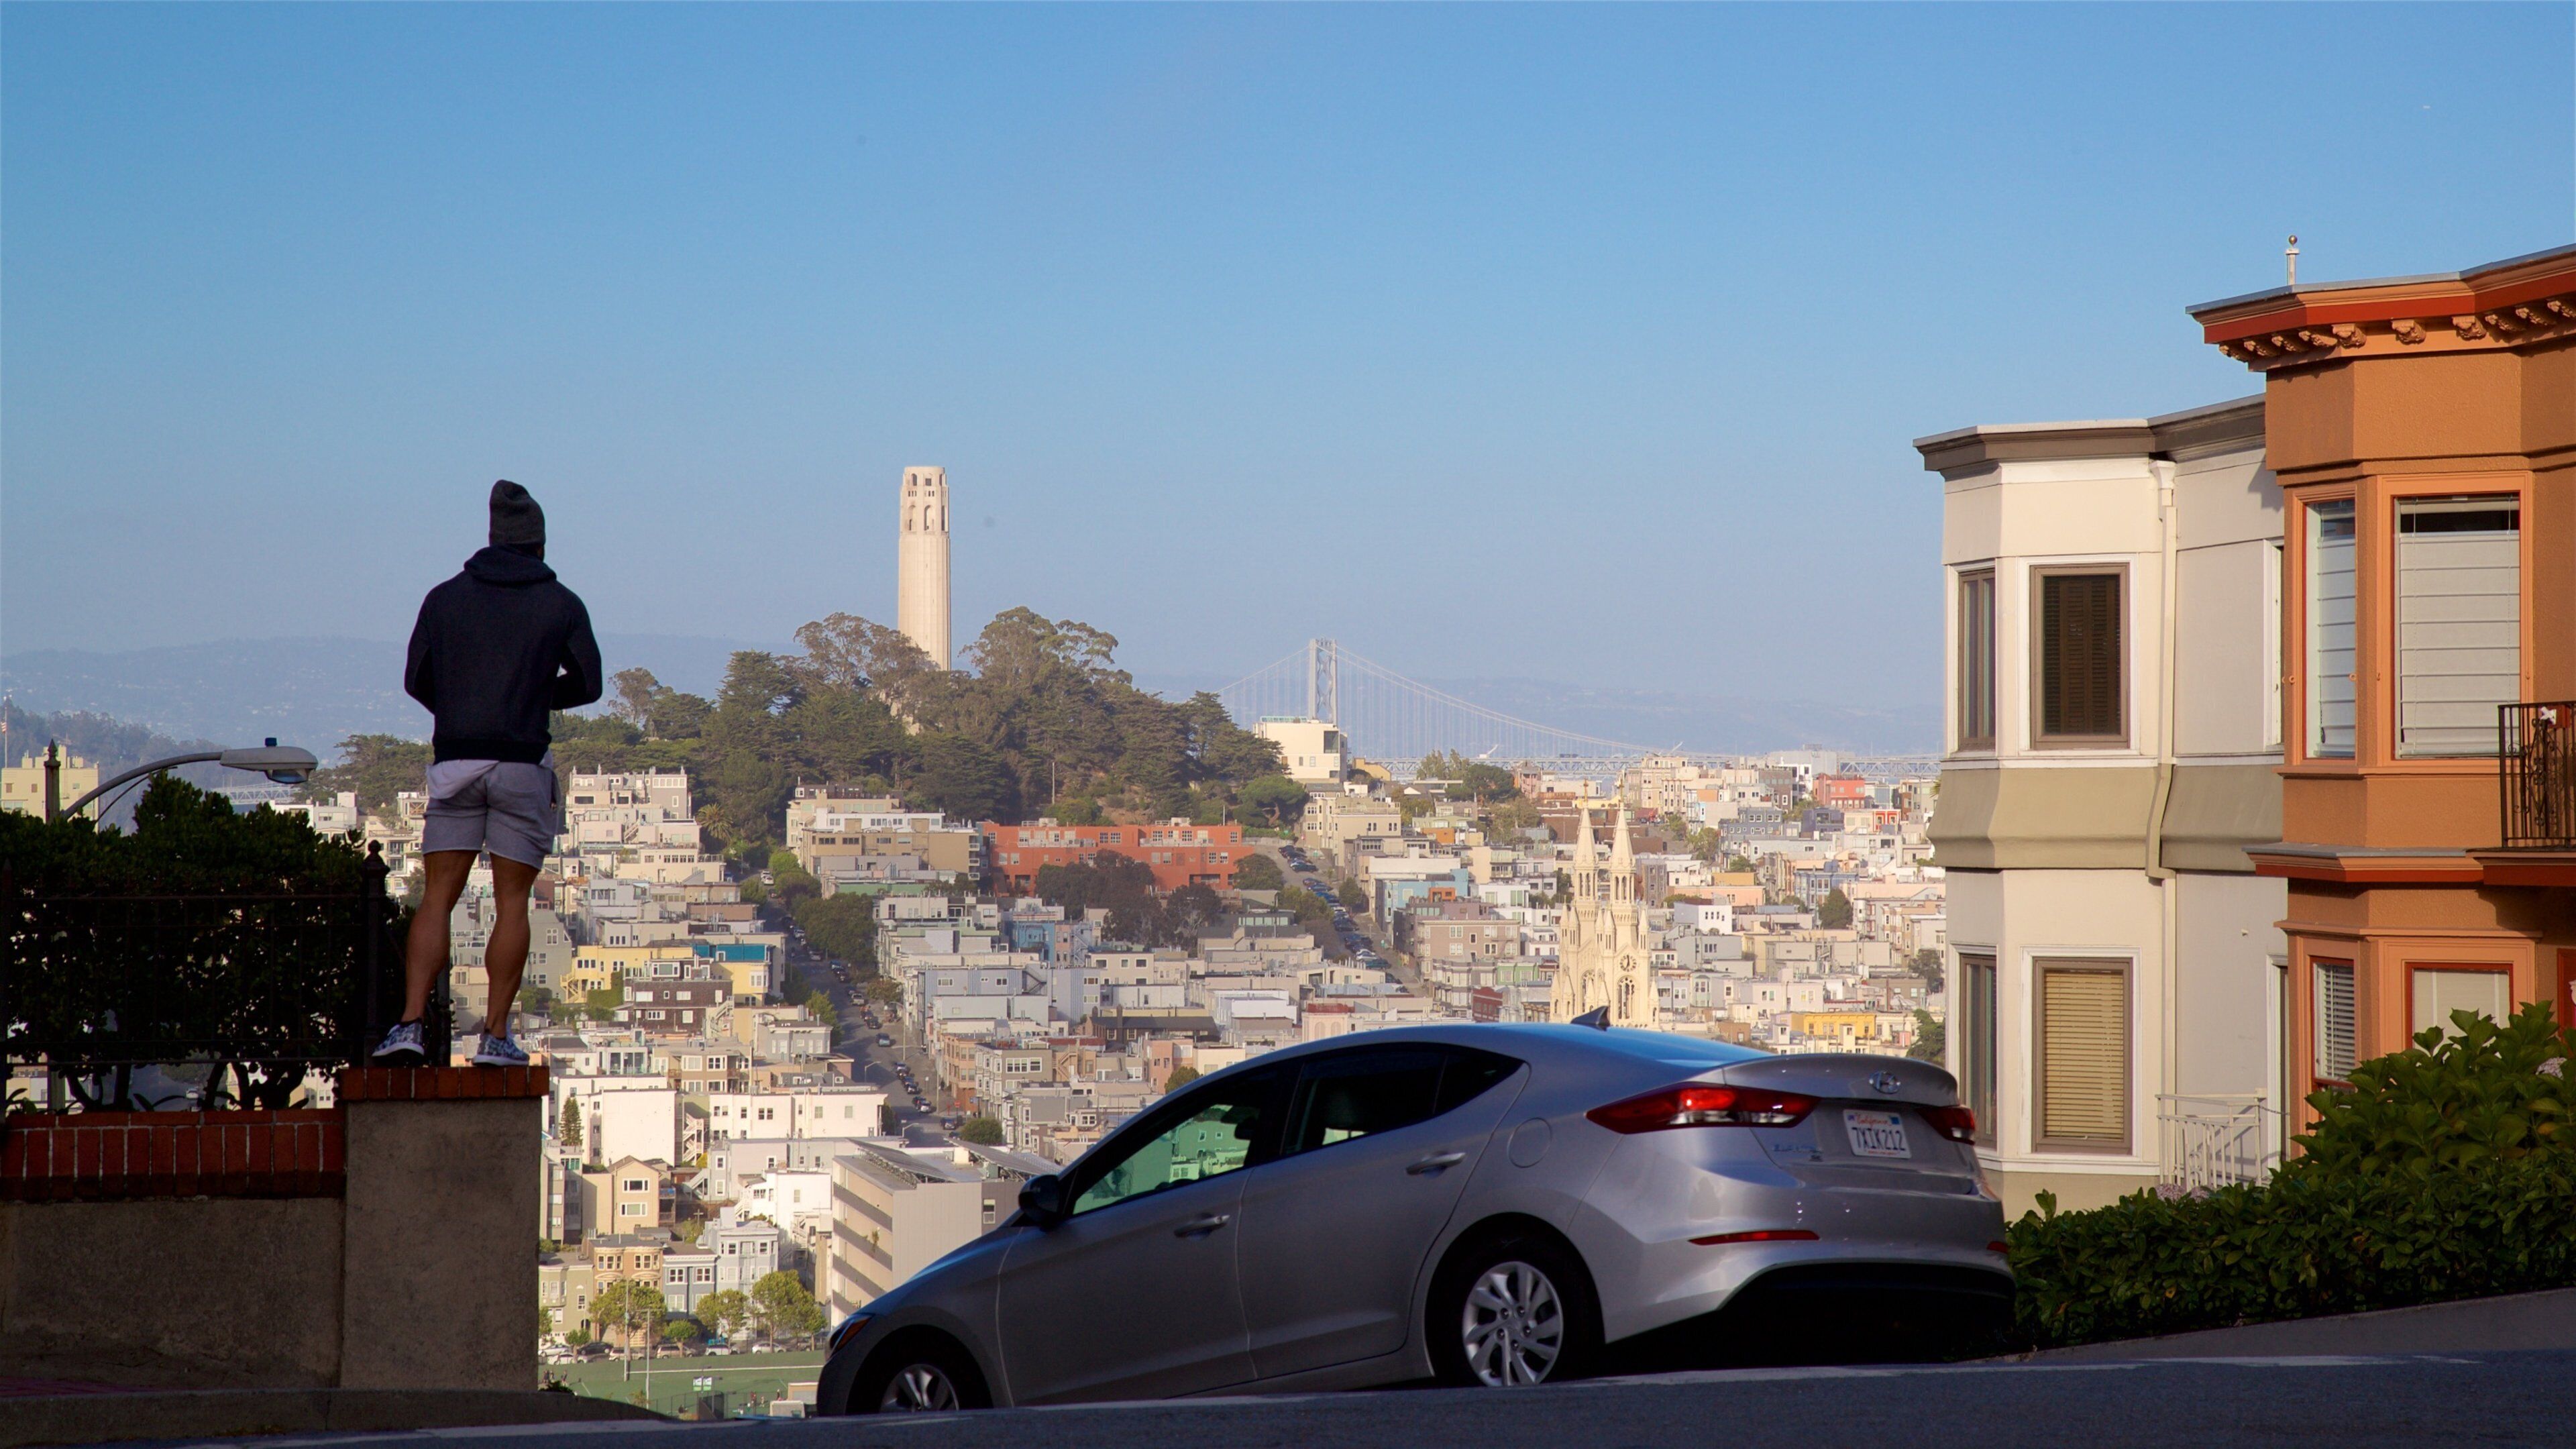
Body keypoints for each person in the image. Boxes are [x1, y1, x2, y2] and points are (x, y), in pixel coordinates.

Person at [374, 481, 601, 1067]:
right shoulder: (561, 603)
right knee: (513, 903)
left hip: (456, 761)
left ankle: (409, 1025)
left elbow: (416, 678)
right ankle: (495, 1037)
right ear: (540, 544)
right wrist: (531, 697)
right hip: (523, 766)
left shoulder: (444, 598)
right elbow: (590, 683)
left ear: (492, 537)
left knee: (437, 899)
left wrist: (459, 709)